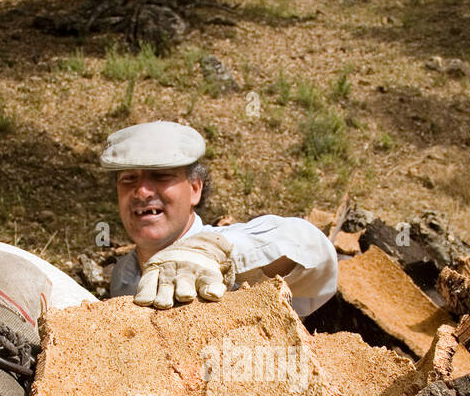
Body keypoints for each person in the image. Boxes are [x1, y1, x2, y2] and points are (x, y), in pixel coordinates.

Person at [102, 120, 337, 317]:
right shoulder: (123, 277)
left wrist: (214, 253)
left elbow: (311, 247)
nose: (142, 191)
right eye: (129, 178)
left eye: (161, 176)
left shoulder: (228, 253)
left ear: (195, 189)